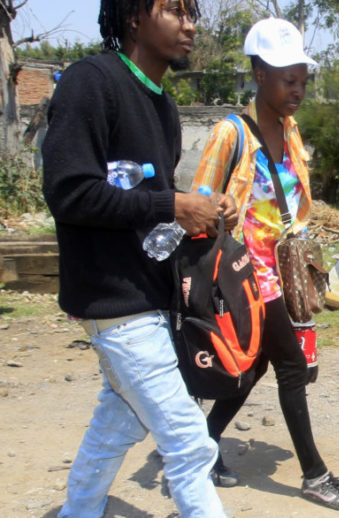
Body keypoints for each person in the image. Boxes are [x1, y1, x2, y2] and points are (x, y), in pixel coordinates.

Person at [41, 1, 236, 516]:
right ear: (133, 17)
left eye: (191, 12)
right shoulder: (89, 82)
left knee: (119, 423)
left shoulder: (164, 106)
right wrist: (173, 202)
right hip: (114, 302)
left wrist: (206, 213)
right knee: (191, 443)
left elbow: (147, 210)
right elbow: (70, 193)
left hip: (150, 299)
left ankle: (77, 511)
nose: (190, 23)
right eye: (174, 9)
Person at [190, 17, 339, 511]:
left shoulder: (290, 132)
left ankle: (199, 444)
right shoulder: (231, 134)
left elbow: (295, 204)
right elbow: (200, 205)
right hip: (246, 275)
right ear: (259, 73)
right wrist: (219, 218)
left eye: (303, 81)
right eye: (289, 80)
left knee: (257, 365)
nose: (298, 90)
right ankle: (315, 474)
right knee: (291, 364)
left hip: (284, 273)